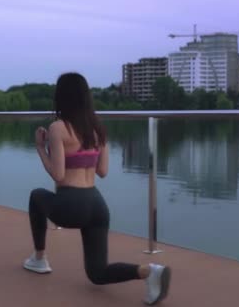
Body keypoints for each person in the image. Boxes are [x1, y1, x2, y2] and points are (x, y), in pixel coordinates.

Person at [23, 72, 171, 305]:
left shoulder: (58, 128)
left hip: (71, 205)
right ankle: (149, 271)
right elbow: (103, 171)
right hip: (97, 206)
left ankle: (40, 258)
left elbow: (59, 174)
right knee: (97, 273)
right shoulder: (98, 128)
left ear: (60, 97)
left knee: (36, 196)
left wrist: (40, 148)